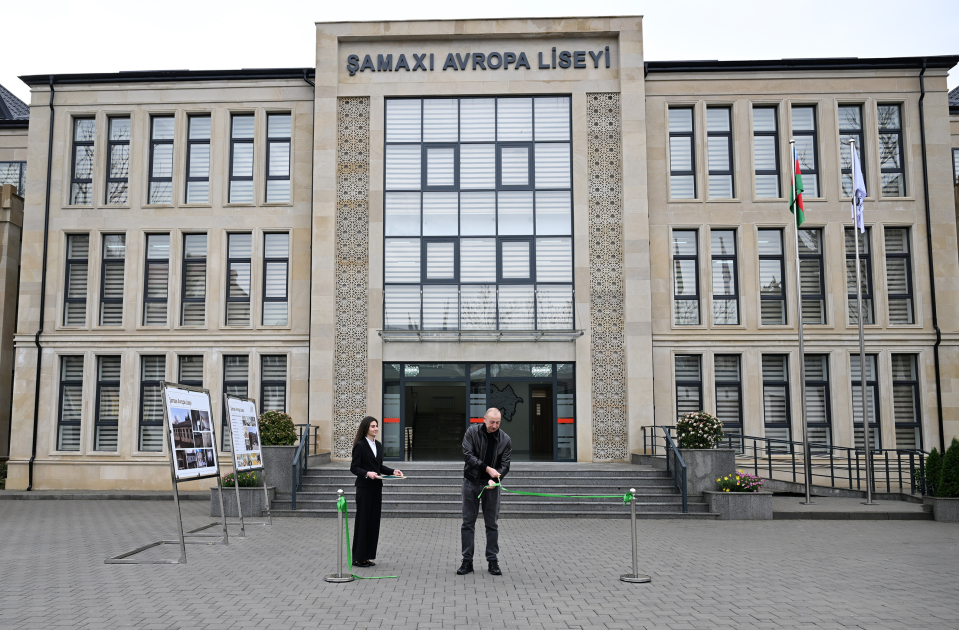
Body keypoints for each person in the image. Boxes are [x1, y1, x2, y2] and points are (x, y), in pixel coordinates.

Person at [458, 407, 511, 576]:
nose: (494, 426)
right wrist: (487, 468)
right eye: (492, 422)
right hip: (471, 483)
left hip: (491, 486)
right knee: (468, 523)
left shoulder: (505, 439)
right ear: (484, 419)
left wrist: (495, 479)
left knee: (492, 524)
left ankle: (492, 561)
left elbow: (505, 465)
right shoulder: (472, 432)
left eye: (498, 422)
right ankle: (467, 561)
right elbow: (468, 455)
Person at [349, 416, 403, 567]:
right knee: (363, 522)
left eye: (377, 426)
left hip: (376, 488)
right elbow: (354, 468)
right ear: (366, 428)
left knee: (373, 522)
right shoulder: (360, 445)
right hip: (364, 488)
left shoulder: (378, 445)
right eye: (373, 426)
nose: (376, 428)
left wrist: (393, 471)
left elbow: (379, 467)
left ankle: (367, 556)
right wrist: (367, 473)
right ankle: (358, 558)